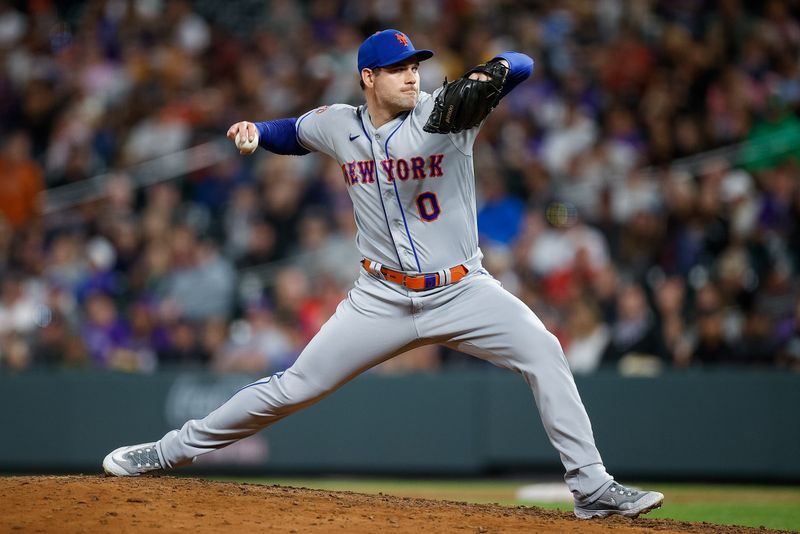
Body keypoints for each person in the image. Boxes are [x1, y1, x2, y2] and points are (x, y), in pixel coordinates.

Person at [102, 29, 664, 520]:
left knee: (544, 351)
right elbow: (291, 132)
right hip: (381, 297)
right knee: (293, 387)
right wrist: (255, 130)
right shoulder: (339, 125)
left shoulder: (447, 113)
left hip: (464, 289)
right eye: (399, 69)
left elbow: (522, 65)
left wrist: (490, 73)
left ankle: (591, 487)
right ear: (368, 77)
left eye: (416, 66)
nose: (412, 76)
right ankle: (169, 450)